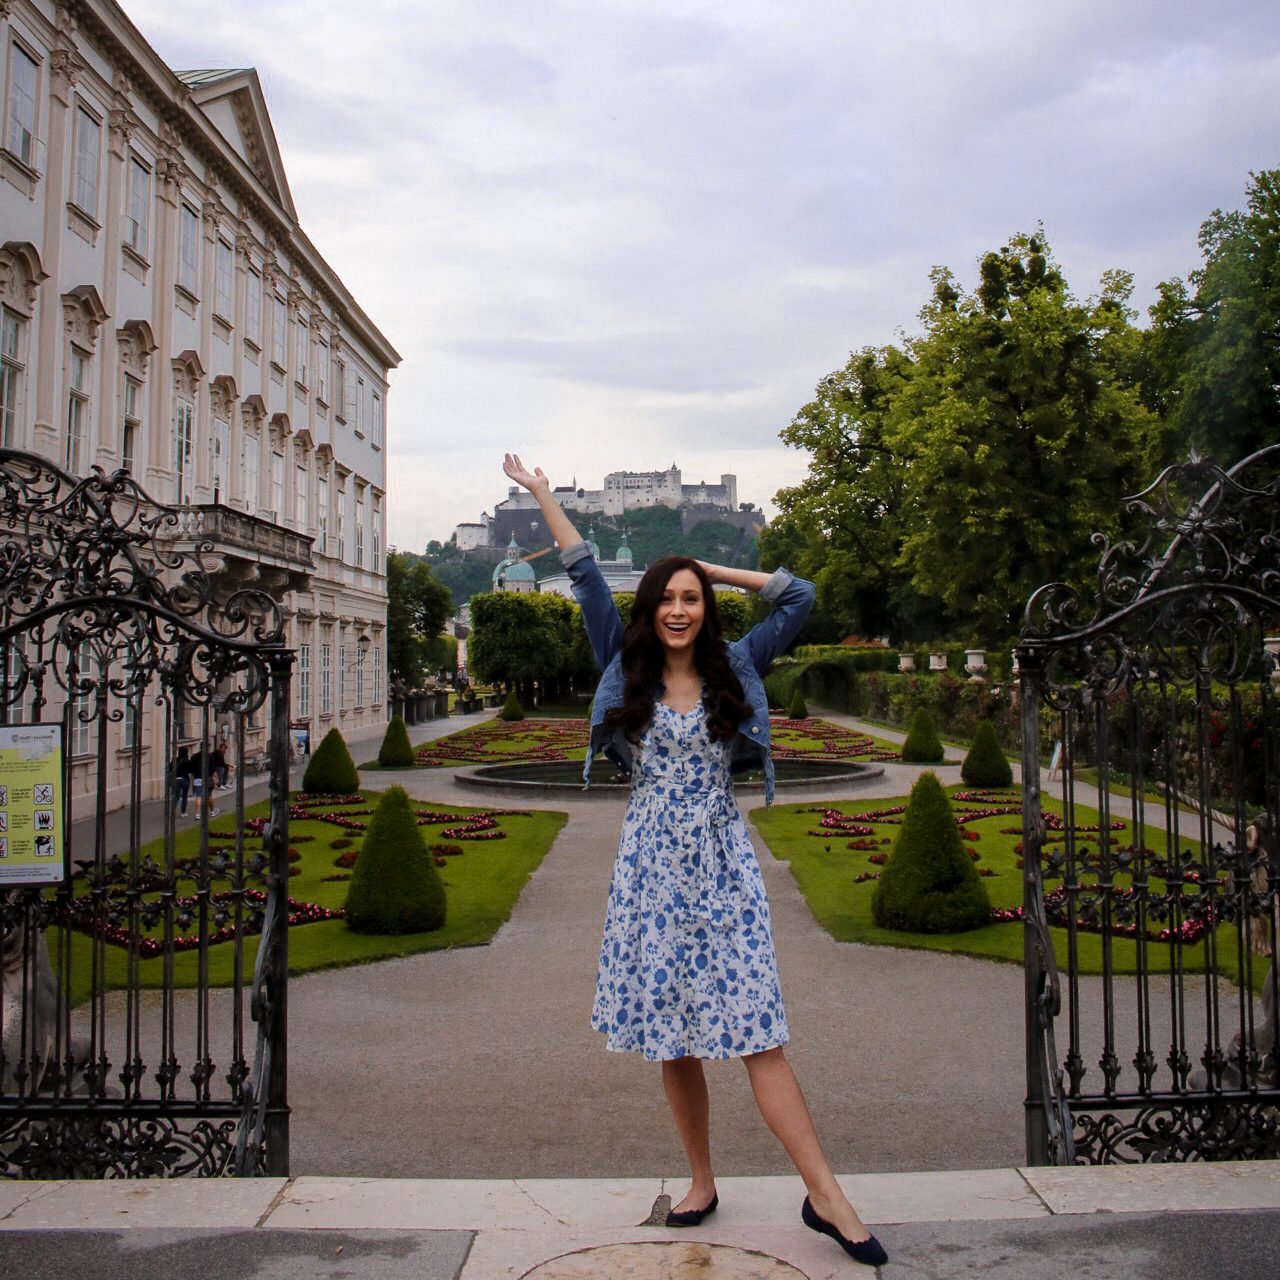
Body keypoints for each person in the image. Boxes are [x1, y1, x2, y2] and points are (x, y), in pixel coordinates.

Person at [502, 454, 887, 1268]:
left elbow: (800, 596)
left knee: (759, 1035)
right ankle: (701, 1181)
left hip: (723, 871)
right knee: (674, 1040)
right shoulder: (623, 664)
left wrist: (709, 566)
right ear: (649, 610)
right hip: (649, 876)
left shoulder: (736, 663)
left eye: (691, 599)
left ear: (704, 607)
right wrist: (541, 495)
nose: (678, 610)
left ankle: (827, 1196)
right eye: (668, 598)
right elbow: (583, 573)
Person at [173, 745, 191, 816]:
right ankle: (183, 812)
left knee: (176, 796)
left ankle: (172, 811)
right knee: (184, 796)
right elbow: (190, 770)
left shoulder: (175, 760)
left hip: (177, 779)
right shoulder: (187, 761)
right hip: (185, 779)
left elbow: (170, 768)